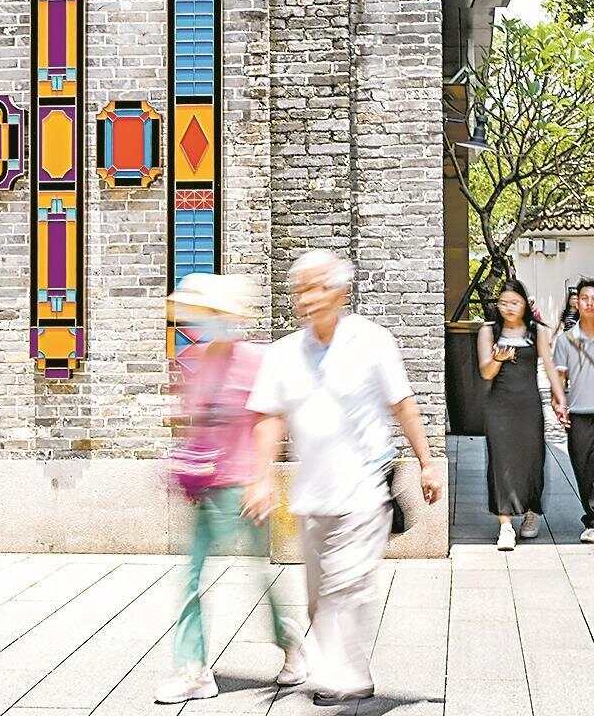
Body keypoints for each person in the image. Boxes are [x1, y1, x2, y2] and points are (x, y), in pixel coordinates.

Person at [243, 251, 443, 706]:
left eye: (317, 287)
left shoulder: (372, 341)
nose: (307, 298)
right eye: (300, 290)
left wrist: (427, 463)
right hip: (313, 496)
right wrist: (260, 478)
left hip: (365, 490)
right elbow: (269, 417)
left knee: (346, 583)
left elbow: (403, 404)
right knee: (319, 599)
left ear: (340, 291)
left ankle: (340, 674)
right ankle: (352, 670)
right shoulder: (283, 354)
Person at [155, 273, 301, 704]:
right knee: (193, 576)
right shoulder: (195, 359)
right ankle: (194, 671)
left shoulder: (256, 360)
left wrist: (262, 478)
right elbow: (196, 422)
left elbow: (269, 420)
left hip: (244, 486)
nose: (196, 320)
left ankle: (291, 643)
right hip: (208, 486)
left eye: (204, 313)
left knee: (260, 575)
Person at [546, 278, 594, 544]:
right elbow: (560, 377)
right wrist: (558, 403)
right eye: (584, 298)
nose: (589, 303)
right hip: (578, 414)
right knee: (583, 470)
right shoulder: (566, 340)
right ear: (576, 303)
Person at [478, 279, 550, 550]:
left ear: (524, 304)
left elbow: (550, 365)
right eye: (503, 303)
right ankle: (505, 525)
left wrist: (559, 399)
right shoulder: (488, 331)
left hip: (529, 405)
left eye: (514, 302)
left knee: (532, 459)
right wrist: (498, 359)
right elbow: (485, 373)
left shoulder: (536, 331)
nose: (508, 308)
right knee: (501, 462)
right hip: (499, 407)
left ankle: (531, 511)